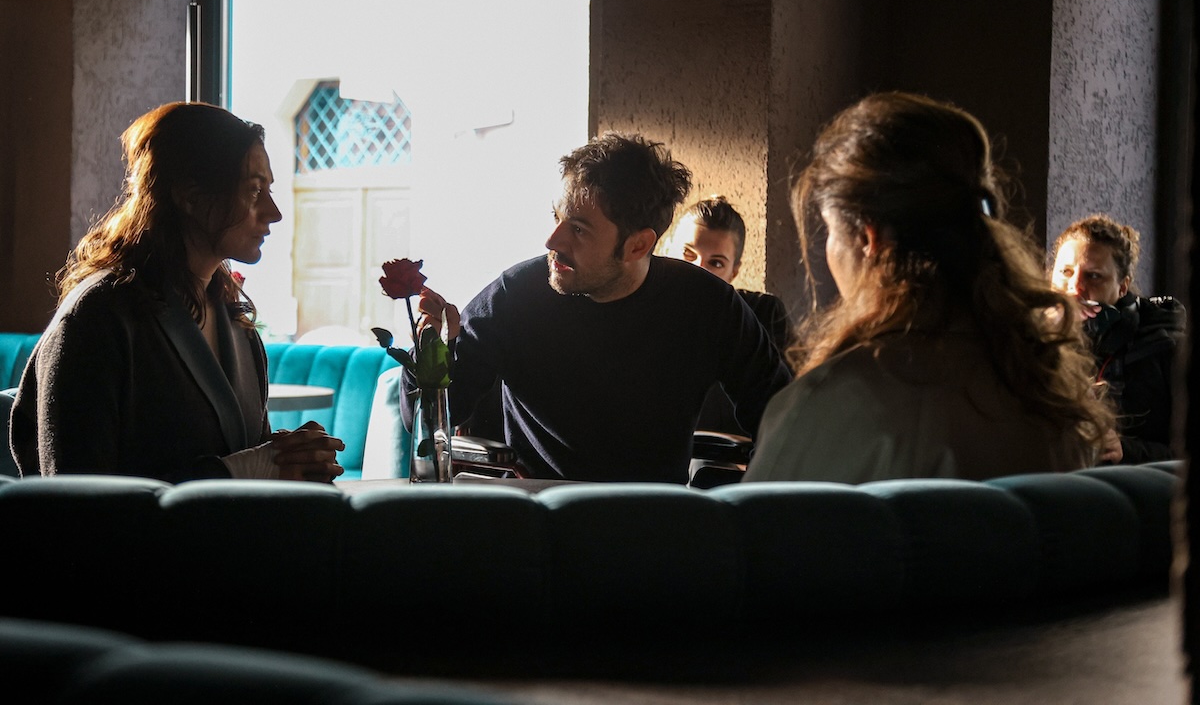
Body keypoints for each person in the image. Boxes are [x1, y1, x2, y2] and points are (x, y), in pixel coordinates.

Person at [743, 92, 1114, 484]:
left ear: (869, 239)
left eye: (831, 232)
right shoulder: (1052, 393)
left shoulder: (826, 405)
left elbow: (758, 538)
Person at [404, 132, 793, 483]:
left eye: (578, 228)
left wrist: (754, 498)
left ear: (638, 245)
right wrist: (431, 353)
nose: (551, 241)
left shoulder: (707, 305)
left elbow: (782, 411)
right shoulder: (514, 297)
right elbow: (419, 419)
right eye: (556, 217)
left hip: (654, 520)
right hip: (540, 517)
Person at [8, 102, 345, 484]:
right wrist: (244, 468)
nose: (274, 212)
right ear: (189, 196)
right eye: (254, 191)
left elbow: (230, 451)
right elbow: (79, 503)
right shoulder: (97, 319)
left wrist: (288, 455)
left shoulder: (236, 321)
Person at [1050, 214, 1186, 463]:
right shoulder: (1033, 340)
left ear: (1123, 287)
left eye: (1093, 276)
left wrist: (1128, 451)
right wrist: (1041, 337)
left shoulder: (1167, 350)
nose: (1075, 287)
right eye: (1065, 272)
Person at [666, 195, 792, 434]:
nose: (698, 270)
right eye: (688, 253)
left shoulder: (763, 315)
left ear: (734, 272)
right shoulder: (641, 313)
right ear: (666, 248)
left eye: (715, 263)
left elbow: (782, 415)